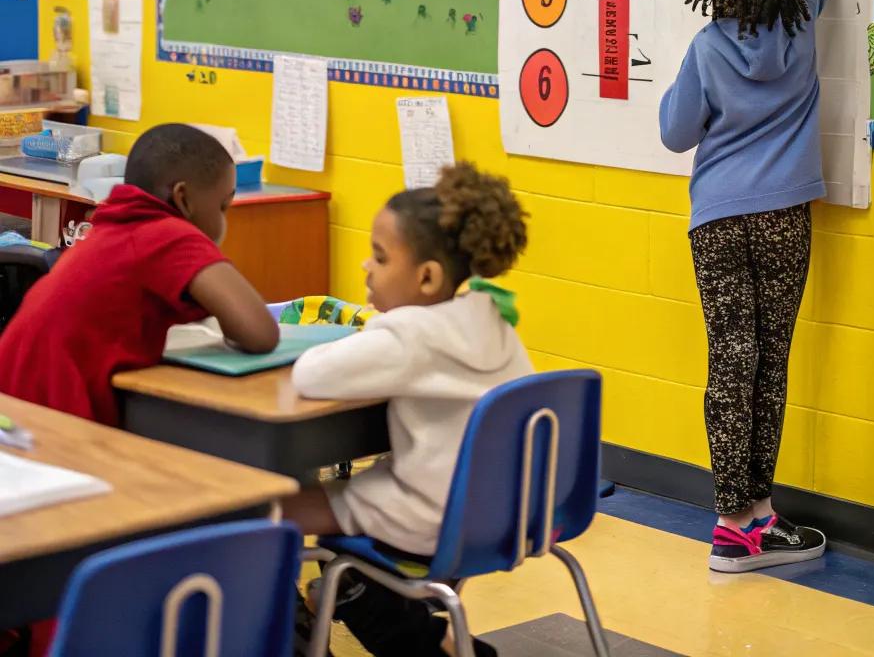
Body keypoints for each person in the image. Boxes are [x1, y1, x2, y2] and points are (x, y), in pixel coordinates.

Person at [659, 0, 851, 572]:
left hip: (717, 223)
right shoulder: (801, 17)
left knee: (729, 360)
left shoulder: (706, 49)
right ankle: (752, 519)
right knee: (771, 361)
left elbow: (676, 133)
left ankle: (738, 520)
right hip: (782, 221)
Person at [289, 162, 531, 657]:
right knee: (334, 516)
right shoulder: (491, 316)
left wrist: (376, 327)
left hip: (432, 516)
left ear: (426, 277)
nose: (365, 267)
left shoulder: (409, 334)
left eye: (379, 258)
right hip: (504, 512)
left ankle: (415, 642)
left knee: (274, 509)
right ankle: (341, 609)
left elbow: (309, 374)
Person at [0, 123, 278, 426]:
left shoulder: (116, 227)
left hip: (14, 397)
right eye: (223, 206)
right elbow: (261, 333)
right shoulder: (168, 234)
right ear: (183, 199)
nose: (225, 221)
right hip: (47, 416)